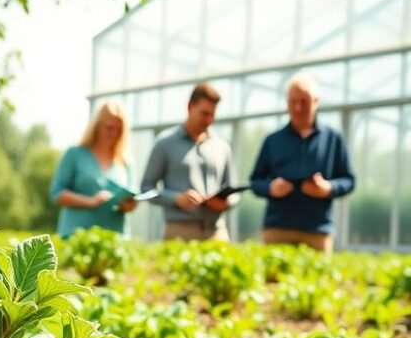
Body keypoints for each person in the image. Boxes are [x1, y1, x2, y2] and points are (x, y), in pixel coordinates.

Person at [248, 72, 355, 252]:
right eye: (293, 102)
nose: (298, 107)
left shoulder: (333, 139)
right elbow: (255, 181)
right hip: (277, 230)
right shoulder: (272, 140)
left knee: (316, 280)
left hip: (317, 231)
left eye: (304, 101)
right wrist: (271, 187)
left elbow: (349, 180)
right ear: (287, 103)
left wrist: (328, 188)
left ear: (316, 101)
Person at [141, 82, 238, 241]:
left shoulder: (222, 146)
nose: (208, 120)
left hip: (216, 232)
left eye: (212, 115)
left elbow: (233, 191)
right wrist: (176, 199)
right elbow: (146, 188)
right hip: (179, 231)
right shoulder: (165, 144)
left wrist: (225, 203)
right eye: (204, 113)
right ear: (190, 107)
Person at [50, 100, 137, 238]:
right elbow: (56, 193)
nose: (114, 133)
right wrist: (90, 202)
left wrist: (129, 204)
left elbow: (133, 194)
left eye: (118, 129)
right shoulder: (75, 154)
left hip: (114, 238)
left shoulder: (125, 160)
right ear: (96, 126)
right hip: (76, 236)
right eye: (109, 128)